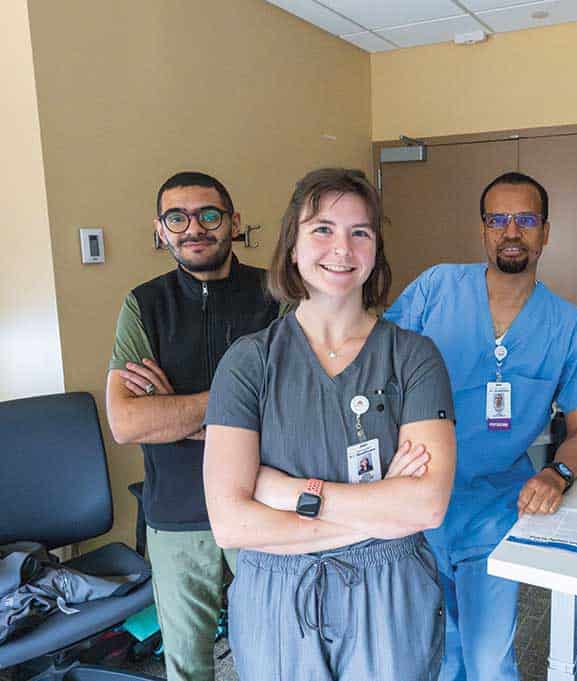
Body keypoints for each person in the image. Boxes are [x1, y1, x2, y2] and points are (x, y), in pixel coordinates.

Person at [202, 168, 456, 681]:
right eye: (322, 228)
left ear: (375, 251)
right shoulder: (249, 362)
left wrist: (289, 492)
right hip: (276, 593)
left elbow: (426, 506)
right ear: (291, 247)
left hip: (390, 590)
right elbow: (231, 524)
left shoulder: (413, 358)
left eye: (360, 231)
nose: (342, 247)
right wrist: (383, 503)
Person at [385, 172, 577, 681]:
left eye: (526, 219)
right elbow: (380, 369)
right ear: (483, 230)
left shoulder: (569, 327)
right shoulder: (436, 288)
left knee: (489, 658)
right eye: (499, 219)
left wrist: (556, 474)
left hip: (494, 510)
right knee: (433, 654)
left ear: (546, 233)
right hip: (414, 500)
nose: (511, 231)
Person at [106, 171, 282, 681]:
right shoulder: (144, 305)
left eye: (209, 214)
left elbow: (292, 407)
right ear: (160, 230)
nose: (194, 228)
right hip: (178, 515)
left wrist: (177, 410)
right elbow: (125, 421)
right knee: (187, 666)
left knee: (273, 652)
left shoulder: (274, 297)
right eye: (176, 217)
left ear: (234, 222)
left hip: (262, 504)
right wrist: (235, 408)